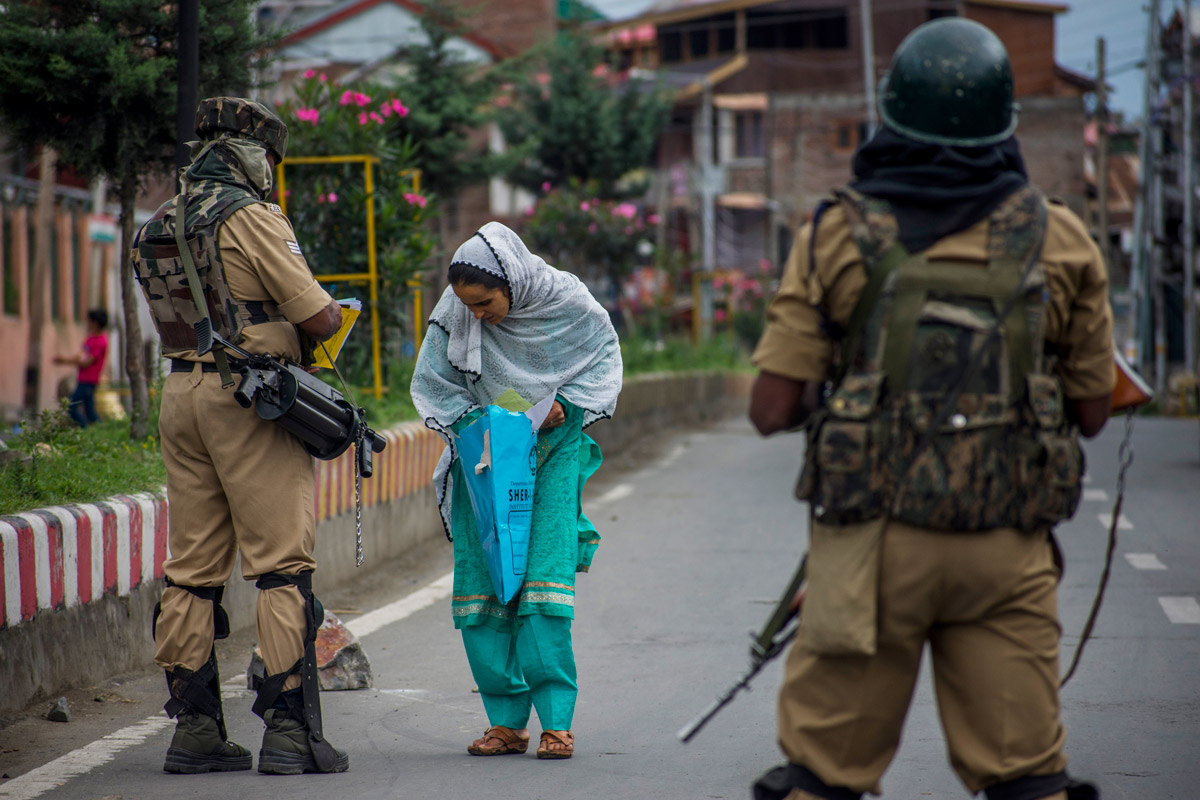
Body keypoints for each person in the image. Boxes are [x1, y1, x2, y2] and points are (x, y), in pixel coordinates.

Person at [748, 19, 1111, 800]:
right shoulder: (1065, 239)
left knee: (822, 775)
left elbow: (770, 407)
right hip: (1005, 548)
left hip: (868, 556)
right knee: (1028, 777)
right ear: (1004, 125)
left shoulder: (836, 232)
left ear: (892, 115)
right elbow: (1092, 412)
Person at [131, 97, 347, 776]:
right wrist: (335, 312)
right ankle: (288, 733)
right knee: (282, 563)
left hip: (181, 395)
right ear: (255, 157)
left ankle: (193, 730)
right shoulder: (251, 216)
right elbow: (313, 316)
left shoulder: (157, 222)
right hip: (249, 399)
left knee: (192, 571)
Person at [411, 221, 622, 760]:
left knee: (543, 589)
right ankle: (505, 722)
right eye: (470, 307)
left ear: (514, 284)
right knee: (481, 590)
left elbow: (602, 361)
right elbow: (435, 383)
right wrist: (485, 418)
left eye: (486, 304)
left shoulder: (567, 302)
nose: (477, 317)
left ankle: (557, 722)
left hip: (552, 456)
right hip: (484, 460)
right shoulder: (455, 311)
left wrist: (563, 407)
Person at [55, 308, 109, 427]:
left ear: (95, 323)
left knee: (71, 406)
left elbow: (86, 362)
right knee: (89, 410)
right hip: (83, 378)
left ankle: (86, 429)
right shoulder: (91, 338)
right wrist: (67, 359)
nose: (87, 324)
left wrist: (65, 361)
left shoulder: (100, 341)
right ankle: (99, 430)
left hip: (89, 380)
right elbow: (81, 357)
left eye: (89, 321)